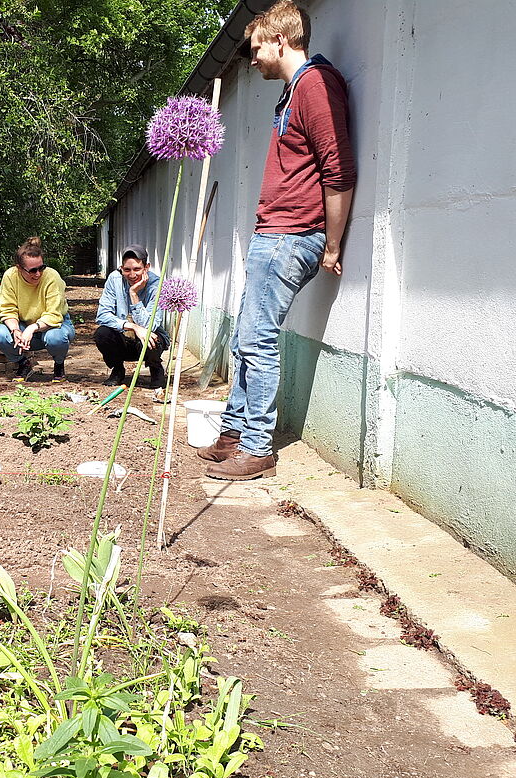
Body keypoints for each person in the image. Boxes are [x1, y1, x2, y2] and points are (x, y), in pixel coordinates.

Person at [200, 0, 355, 481]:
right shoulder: (293, 91)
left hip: (293, 234)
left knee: (258, 339)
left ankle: (257, 448)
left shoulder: (315, 85)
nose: (251, 58)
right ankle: (233, 432)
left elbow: (339, 169)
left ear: (280, 41)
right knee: (245, 337)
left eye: (256, 48)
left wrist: (332, 244)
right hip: (273, 233)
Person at [0, 237, 76, 382]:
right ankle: (23, 363)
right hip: (24, 325)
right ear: (19, 268)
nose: (38, 273)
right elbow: (7, 309)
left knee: (55, 338)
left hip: (55, 326)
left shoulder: (52, 276)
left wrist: (31, 329)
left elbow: (54, 315)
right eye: (32, 270)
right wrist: (15, 330)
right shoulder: (10, 276)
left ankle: (59, 364)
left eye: (41, 268)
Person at [93, 244, 168, 388]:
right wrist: (133, 327)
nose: (132, 275)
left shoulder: (157, 285)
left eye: (137, 269)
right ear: (121, 268)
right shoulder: (114, 279)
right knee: (102, 333)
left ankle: (155, 368)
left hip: (147, 342)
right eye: (127, 270)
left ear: (146, 268)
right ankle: (117, 369)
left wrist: (134, 294)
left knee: (150, 337)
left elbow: (149, 325)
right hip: (123, 338)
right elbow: (102, 315)